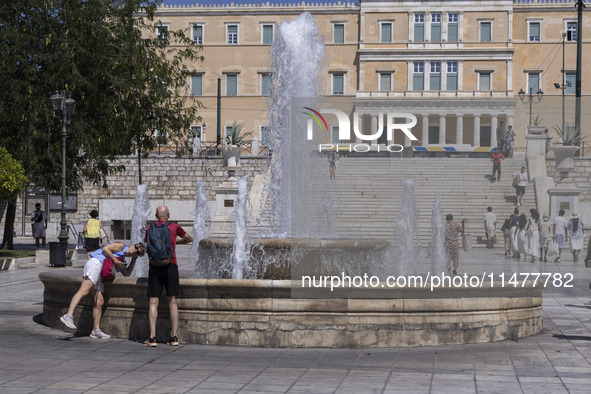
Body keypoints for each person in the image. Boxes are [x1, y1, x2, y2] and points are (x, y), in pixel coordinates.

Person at [59, 242, 146, 338]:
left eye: (137, 252)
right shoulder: (121, 246)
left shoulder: (122, 258)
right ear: (133, 245)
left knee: (99, 302)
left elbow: (127, 274)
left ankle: (96, 330)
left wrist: (133, 260)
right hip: (95, 264)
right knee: (84, 291)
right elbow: (105, 249)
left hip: (100, 273)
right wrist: (115, 261)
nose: (135, 251)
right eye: (136, 247)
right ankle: (68, 315)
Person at [143, 205, 193, 347]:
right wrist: (175, 242)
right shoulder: (174, 227)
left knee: (153, 302)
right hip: (171, 265)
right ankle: (174, 337)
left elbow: (148, 245)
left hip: (154, 267)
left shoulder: (149, 228)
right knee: (172, 302)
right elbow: (189, 238)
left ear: (156, 216)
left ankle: (152, 338)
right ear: (168, 215)